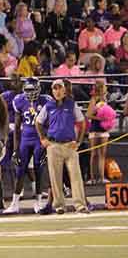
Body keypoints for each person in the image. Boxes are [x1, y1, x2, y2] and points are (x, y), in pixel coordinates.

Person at [36, 80, 89, 215]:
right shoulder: (48, 106)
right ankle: (59, 205)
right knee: (55, 176)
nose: (57, 91)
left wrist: (78, 141)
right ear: (52, 91)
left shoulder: (71, 105)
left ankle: (80, 205)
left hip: (69, 145)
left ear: (64, 91)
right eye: (55, 89)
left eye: (60, 89)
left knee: (76, 176)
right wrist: (43, 138)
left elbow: (82, 123)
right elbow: (38, 122)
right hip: (53, 145)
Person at [6, 79, 49, 214]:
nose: (30, 94)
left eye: (33, 90)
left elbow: (49, 124)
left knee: (38, 169)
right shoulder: (19, 100)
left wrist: (46, 143)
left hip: (39, 139)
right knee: (20, 170)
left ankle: (38, 202)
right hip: (25, 138)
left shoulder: (46, 101)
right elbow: (17, 127)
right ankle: (14, 203)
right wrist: (15, 149)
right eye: (28, 90)